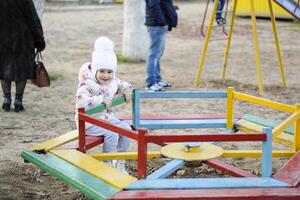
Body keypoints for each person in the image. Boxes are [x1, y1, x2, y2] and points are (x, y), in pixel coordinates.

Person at [75, 36, 132, 174]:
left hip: (106, 119)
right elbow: (81, 101)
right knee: (112, 134)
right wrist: (100, 100)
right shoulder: (87, 83)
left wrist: (126, 89)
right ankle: (107, 163)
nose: (105, 75)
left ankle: (120, 160)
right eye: (101, 71)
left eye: (109, 72)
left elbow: (121, 83)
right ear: (95, 70)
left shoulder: (112, 80)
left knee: (126, 129)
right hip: (89, 123)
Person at [0, 0, 46, 112]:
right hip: (23, 39)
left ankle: (6, 99)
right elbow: (33, 18)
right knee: (22, 69)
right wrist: (39, 38)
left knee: (4, 68)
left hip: (2, 38)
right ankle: (18, 101)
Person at [145, 0, 178, 91]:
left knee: (158, 54)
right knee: (154, 54)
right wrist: (162, 21)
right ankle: (151, 83)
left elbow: (161, 4)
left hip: (159, 24)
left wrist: (171, 8)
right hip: (157, 25)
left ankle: (157, 80)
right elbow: (154, 5)